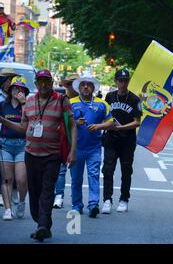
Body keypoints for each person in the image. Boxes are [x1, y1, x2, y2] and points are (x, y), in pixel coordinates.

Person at [0, 70, 77, 241]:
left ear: (51, 82)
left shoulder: (61, 100)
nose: (43, 85)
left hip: (52, 155)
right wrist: (3, 121)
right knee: (34, 192)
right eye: (40, 81)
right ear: (35, 84)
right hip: (31, 154)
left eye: (46, 81)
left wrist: (72, 151)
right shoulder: (28, 102)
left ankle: (42, 226)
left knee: (47, 191)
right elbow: (22, 128)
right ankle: (43, 223)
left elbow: (72, 126)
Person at [70, 76, 113, 218]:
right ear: (79, 88)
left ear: (93, 88)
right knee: (76, 178)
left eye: (89, 85)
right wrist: (76, 123)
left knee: (94, 176)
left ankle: (93, 204)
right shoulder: (71, 103)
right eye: (83, 85)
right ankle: (77, 205)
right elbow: (64, 123)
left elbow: (111, 121)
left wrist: (99, 126)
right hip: (76, 148)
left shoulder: (102, 104)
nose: (86, 87)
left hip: (94, 148)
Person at [101, 69, 141, 214]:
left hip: (127, 141)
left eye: (125, 80)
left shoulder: (134, 99)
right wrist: (106, 124)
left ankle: (124, 199)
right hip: (111, 139)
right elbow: (104, 115)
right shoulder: (109, 97)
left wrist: (122, 128)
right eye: (120, 80)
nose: (123, 83)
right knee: (108, 170)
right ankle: (107, 199)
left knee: (126, 171)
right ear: (116, 81)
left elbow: (137, 122)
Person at [0, 77, 28, 220]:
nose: (18, 91)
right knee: (7, 179)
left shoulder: (28, 105)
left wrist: (23, 103)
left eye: (21, 89)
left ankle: (22, 202)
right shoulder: (2, 106)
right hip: (5, 145)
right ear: (10, 90)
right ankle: (8, 209)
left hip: (22, 145)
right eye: (15, 88)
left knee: (22, 179)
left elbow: (27, 123)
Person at [53, 73, 79, 209]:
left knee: (76, 173)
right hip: (62, 138)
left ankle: (76, 201)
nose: (71, 88)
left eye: (74, 84)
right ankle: (58, 195)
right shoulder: (61, 99)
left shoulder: (84, 100)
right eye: (68, 84)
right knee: (60, 169)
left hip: (81, 142)